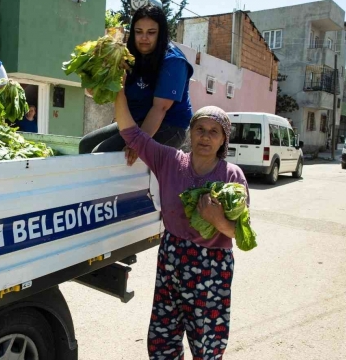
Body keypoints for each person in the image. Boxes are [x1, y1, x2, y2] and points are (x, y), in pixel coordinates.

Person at [114, 85, 251, 359]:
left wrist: (217, 219)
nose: (205, 137)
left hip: (211, 267)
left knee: (206, 343)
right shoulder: (170, 161)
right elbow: (133, 134)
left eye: (214, 131)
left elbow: (244, 236)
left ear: (224, 139)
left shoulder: (231, 176)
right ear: (191, 132)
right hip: (172, 258)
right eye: (200, 129)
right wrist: (118, 93)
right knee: (162, 337)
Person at [79, 4, 194, 166]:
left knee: (102, 153)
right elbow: (112, 91)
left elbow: (160, 109)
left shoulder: (173, 62)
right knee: (86, 144)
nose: (144, 38)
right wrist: (95, 87)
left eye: (151, 33)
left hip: (170, 125)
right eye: (138, 32)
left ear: (161, 33)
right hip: (137, 120)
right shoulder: (128, 55)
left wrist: (139, 143)